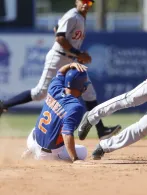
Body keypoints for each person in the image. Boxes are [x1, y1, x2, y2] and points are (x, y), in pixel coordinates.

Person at [0, 0, 121, 140]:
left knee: (89, 92)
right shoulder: (72, 15)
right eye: (83, 1)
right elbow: (59, 38)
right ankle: (4, 105)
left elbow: (56, 28)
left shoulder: (80, 17)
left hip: (71, 59)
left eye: (89, 2)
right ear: (77, 1)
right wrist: (77, 53)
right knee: (40, 93)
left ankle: (101, 130)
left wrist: (76, 54)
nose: (86, 4)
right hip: (58, 58)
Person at [22, 63, 90, 163]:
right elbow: (66, 133)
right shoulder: (75, 106)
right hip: (48, 155)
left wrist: (70, 65)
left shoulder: (55, 87)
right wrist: (75, 159)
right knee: (83, 151)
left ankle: (32, 150)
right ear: (81, 87)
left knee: (43, 129)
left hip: (32, 140)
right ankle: (38, 154)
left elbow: (60, 72)